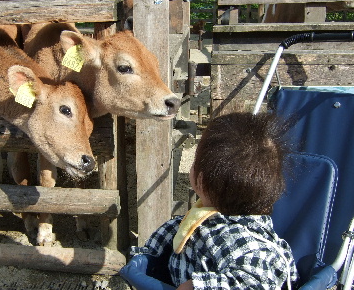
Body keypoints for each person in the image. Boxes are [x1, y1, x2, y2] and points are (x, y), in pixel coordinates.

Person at [120, 112, 299, 290]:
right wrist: (143, 258)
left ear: (201, 181)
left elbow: (257, 281)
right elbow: (159, 245)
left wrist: (196, 287)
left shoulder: (238, 239)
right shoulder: (191, 223)